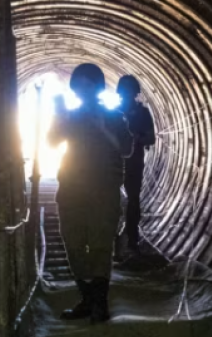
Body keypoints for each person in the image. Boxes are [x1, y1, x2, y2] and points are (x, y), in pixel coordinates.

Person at [47, 63, 134, 323]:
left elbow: (127, 149)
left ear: (97, 87)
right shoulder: (70, 115)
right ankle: (87, 299)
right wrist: (58, 115)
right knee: (73, 244)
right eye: (79, 84)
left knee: (99, 245)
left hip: (103, 191)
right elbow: (52, 142)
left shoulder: (114, 116)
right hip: (72, 189)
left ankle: (100, 303)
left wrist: (102, 127)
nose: (82, 89)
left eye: (87, 84)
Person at [116, 75, 155, 257]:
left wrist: (136, 138)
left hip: (133, 163)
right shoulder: (114, 112)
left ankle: (132, 240)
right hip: (115, 163)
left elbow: (151, 138)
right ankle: (116, 242)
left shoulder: (142, 113)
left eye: (128, 91)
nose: (126, 94)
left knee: (132, 201)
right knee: (114, 201)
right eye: (124, 91)